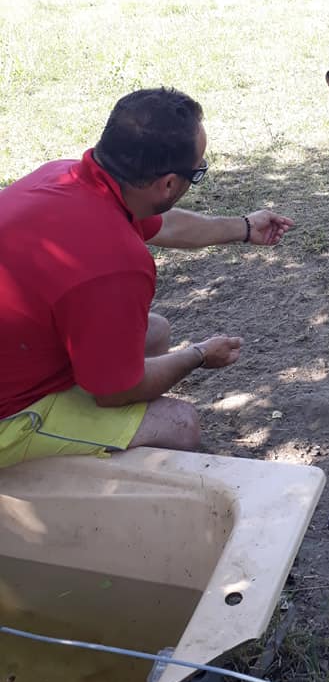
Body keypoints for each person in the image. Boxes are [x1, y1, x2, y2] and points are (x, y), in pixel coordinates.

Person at [0, 87, 293, 468]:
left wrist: (242, 227)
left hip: (18, 355)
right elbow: (117, 390)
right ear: (169, 183)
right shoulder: (115, 261)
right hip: (9, 413)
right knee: (180, 424)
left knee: (154, 331)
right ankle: (83, 497)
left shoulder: (64, 176)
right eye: (198, 171)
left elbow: (163, 223)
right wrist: (199, 354)